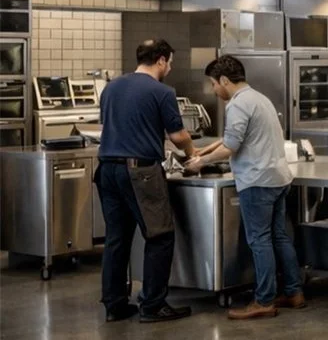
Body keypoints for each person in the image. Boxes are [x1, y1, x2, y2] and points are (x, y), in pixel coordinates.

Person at [187, 56, 304, 320]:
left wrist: (200, 162)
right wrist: (206, 148)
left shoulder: (237, 105)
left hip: (257, 181)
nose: (214, 90)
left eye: (213, 84)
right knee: (279, 237)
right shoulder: (259, 98)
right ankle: (294, 292)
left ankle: (263, 300)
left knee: (259, 240)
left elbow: (232, 146)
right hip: (278, 177)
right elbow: (234, 138)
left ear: (225, 80)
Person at [96, 38, 196, 323]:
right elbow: (178, 135)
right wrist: (191, 154)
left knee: (117, 238)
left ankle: (114, 305)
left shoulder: (111, 87)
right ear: (162, 60)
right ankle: (152, 305)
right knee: (160, 236)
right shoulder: (162, 91)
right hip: (140, 171)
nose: (170, 68)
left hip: (107, 169)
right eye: (170, 62)